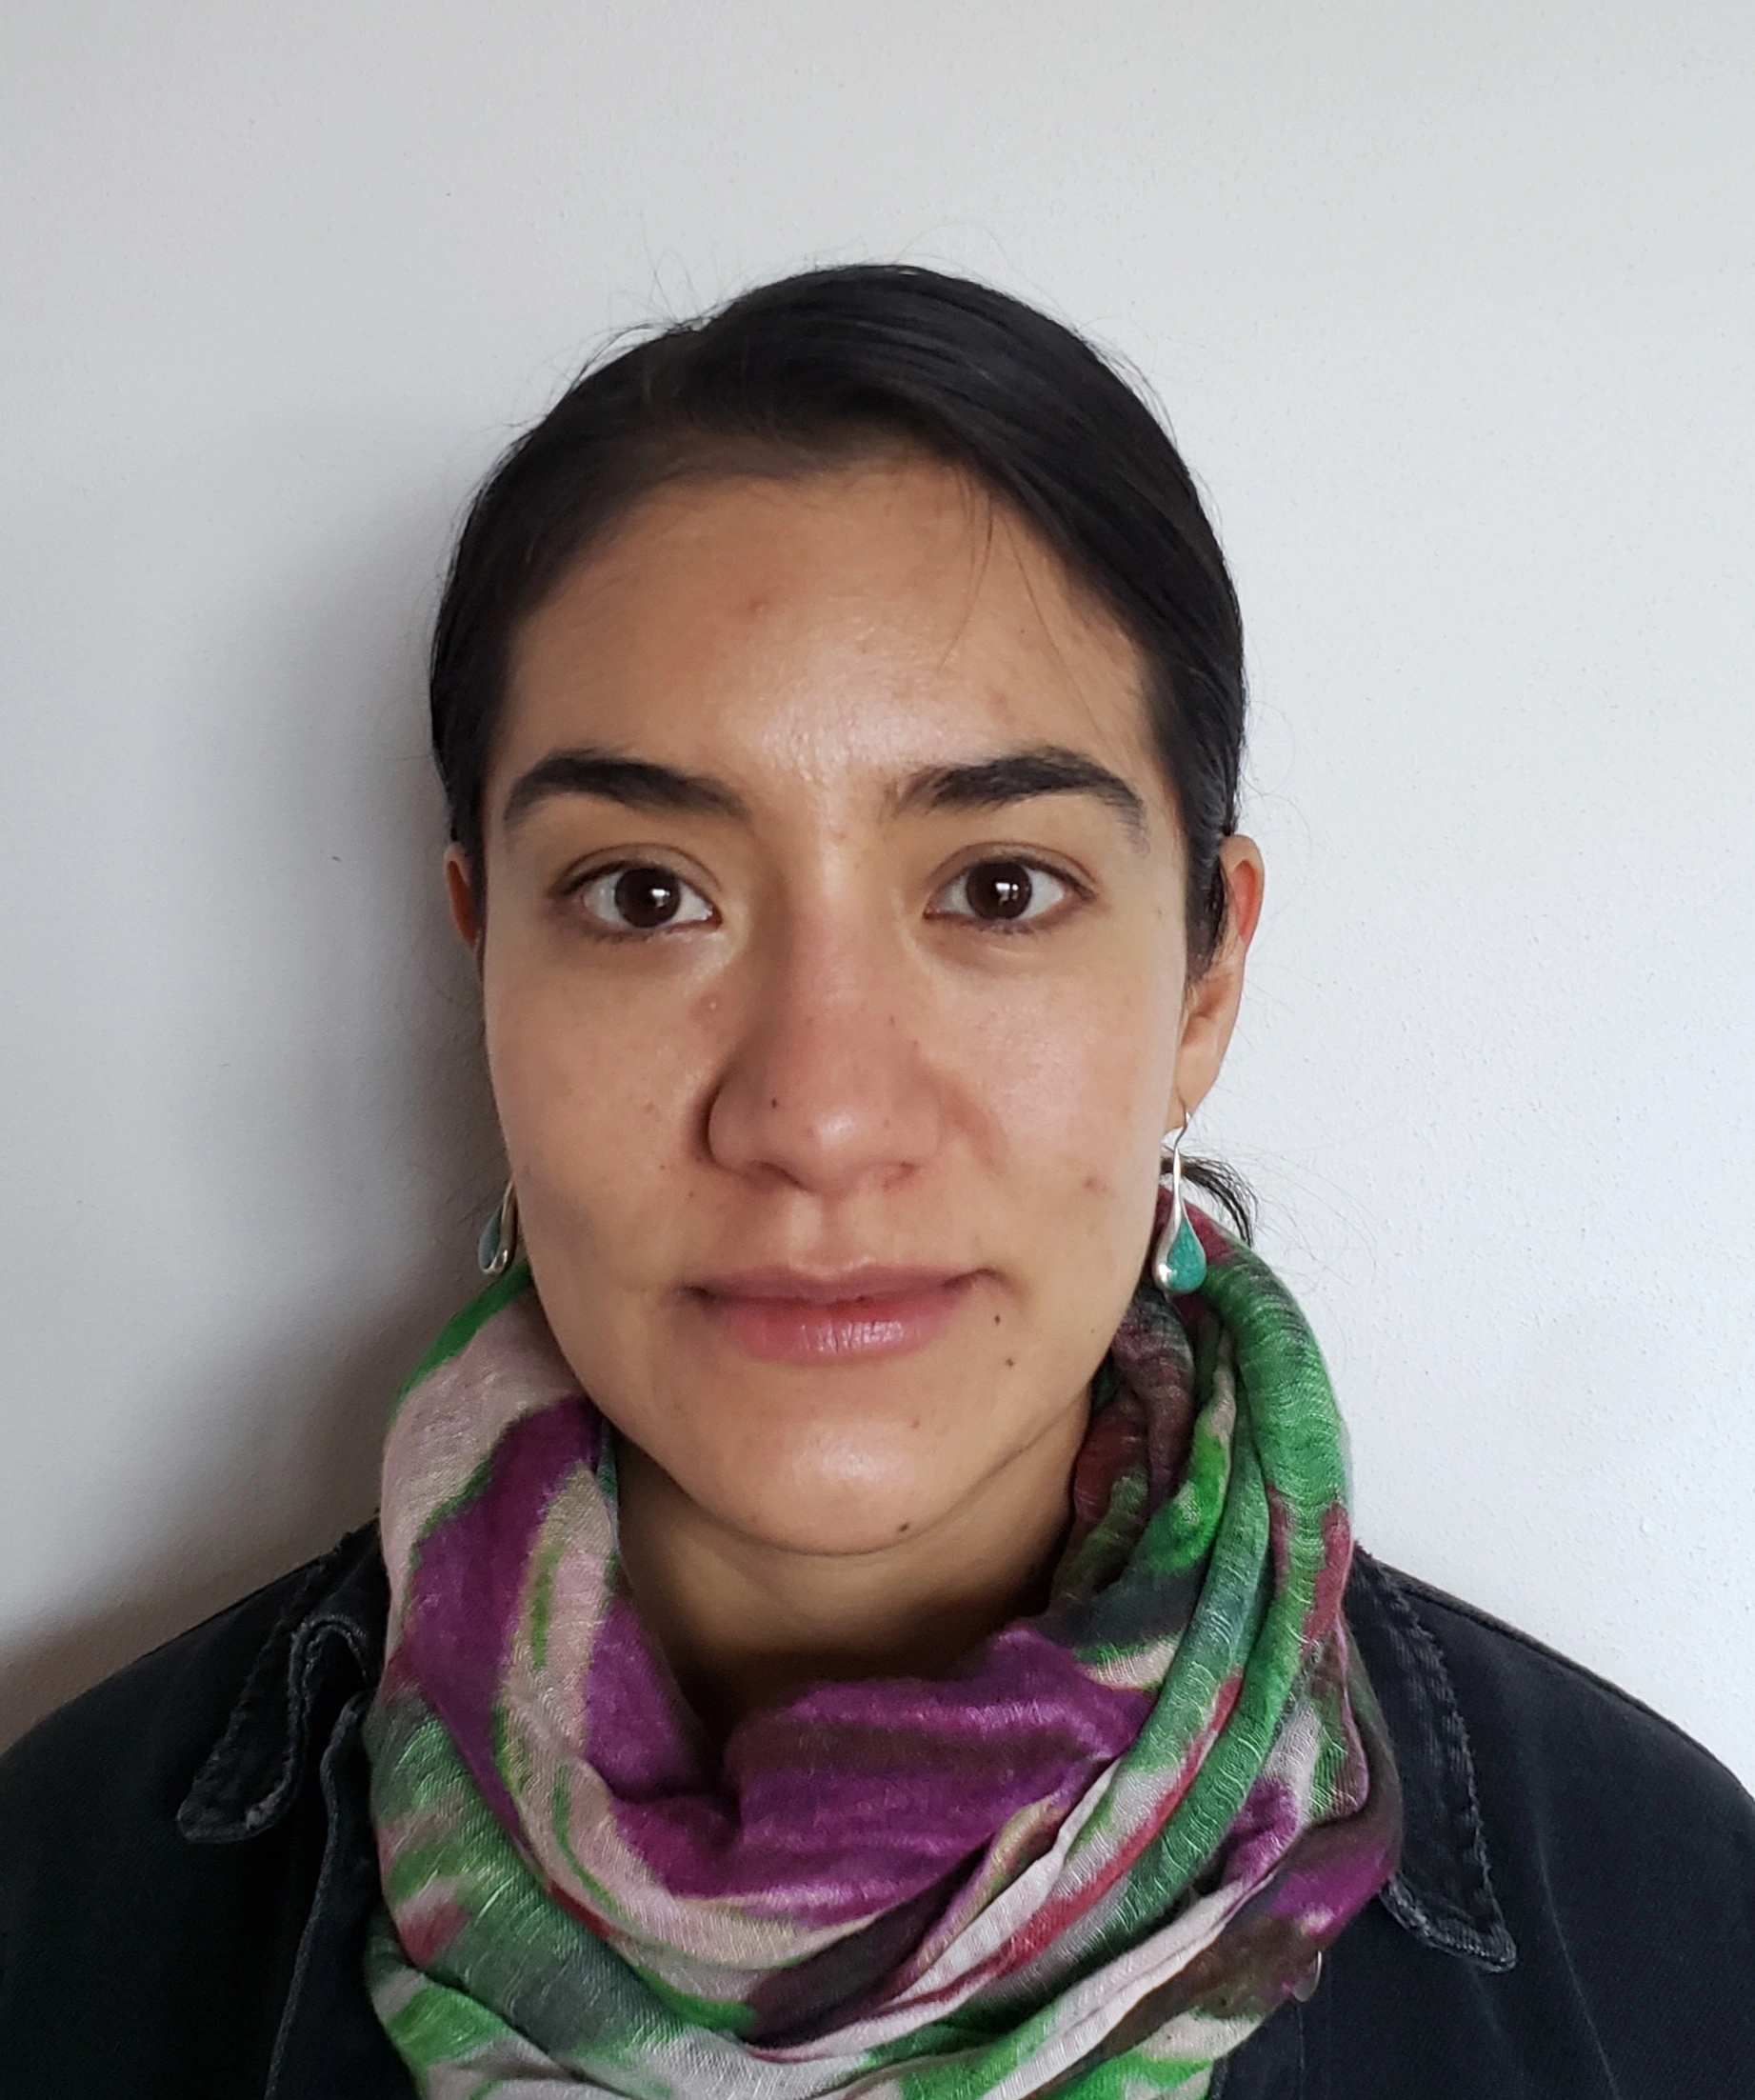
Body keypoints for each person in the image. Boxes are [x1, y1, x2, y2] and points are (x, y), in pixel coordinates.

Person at [0, 265, 1749, 2100]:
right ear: (483, 961)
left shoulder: (1662, 1935)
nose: (819, 1117)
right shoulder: (67, 1918)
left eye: (997, 888)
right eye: (644, 896)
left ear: (1202, 977)